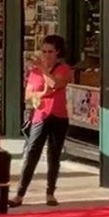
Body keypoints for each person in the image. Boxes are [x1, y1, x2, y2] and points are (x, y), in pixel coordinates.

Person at [12, 34, 72, 207]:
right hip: (41, 115)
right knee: (32, 153)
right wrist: (41, 94)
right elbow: (28, 95)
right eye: (44, 51)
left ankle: (50, 192)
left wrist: (44, 70)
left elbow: (55, 84)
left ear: (57, 52)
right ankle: (19, 194)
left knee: (54, 155)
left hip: (58, 115)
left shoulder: (63, 68)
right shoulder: (35, 72)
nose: (46, 55)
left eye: (50, 52)